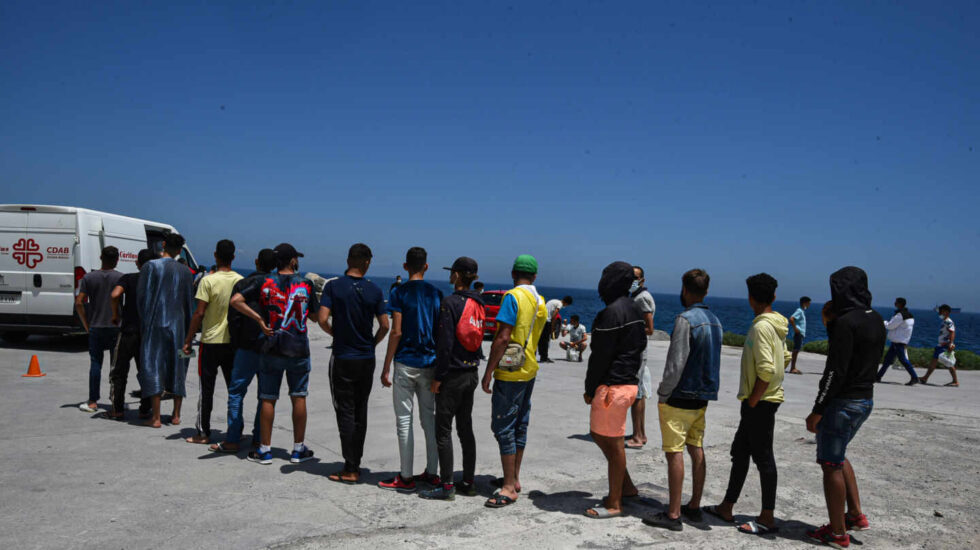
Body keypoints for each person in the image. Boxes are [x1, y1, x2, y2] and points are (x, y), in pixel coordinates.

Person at [704, 273, 791, 535]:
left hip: (760, 402)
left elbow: (767, 369)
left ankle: (767, 517)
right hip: (762, 400)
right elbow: (784, 357)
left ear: (751, 297)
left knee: (764, 458)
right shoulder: (777, 324)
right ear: (773, 297)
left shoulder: (761, 327)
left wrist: (754, 399)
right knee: (740, 452)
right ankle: (726, 506)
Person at [805, 267, 884, 548]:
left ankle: (838, 533)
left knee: (830, 465)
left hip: (842, 402)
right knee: (839, 456)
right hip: (865, 399)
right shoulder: (875, 319)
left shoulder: (845, 323)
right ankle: (854, 515)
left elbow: (834, 371)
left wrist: (818, 409)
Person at [643, 269, 722, 531]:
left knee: (674, 452)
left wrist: (664, 393)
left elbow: (675, 363)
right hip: (702, 397)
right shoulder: (715, 320)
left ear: (685, 290)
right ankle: (694, 505)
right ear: (706, 291)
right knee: (696, 447)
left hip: (680, 396)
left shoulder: (685, 319)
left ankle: (673, 513)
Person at [231, 243, 319, 464]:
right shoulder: (305, 284)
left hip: (271, 347)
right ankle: (298, 449)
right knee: (298, 396)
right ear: (292, 261)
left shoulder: (264, 282)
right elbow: (317, 318)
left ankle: (264, 449)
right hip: (298, 349)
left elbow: (235, 301)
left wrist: (260, 319)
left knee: (268, 398)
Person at [318, 243, 389, 483]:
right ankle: (355, 461)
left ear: (348, 259)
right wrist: (372, 343)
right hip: (365, 357)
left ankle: (350, 467)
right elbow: (385, 326)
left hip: (343, 356)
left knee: (344, 411)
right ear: (367, 262)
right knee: (361, 410)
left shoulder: (334, 286)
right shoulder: (375, 290)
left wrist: (335, 335)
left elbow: (322, 318)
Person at [481, 254, 548, 508]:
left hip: (510, 368)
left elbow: (502, 336)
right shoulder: (539, 300)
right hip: (529, 366)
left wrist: (488, 370)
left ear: (512, 273)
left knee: (503, 426)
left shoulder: (513, 297)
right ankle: (515, 477)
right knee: (520, 423)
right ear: (535, 276)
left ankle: (508, 488)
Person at [582, 262, 647, 518]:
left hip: (612, 385)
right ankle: (626, 487)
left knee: (613, 442)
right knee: (602, 436)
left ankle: (615, 503)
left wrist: (590, 388)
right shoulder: (634, 308)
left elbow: (599, 356)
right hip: (628, 381)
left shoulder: (611, 313)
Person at [378, 247, 443, 492]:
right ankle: (433, 472)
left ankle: (406, 477)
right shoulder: (437, 294)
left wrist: (386, 366)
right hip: (429, 363)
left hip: (405, 362)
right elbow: (439, 331)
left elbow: (396, 331)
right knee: (429, 420)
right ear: (426, 266)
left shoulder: (399, 293)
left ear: (406, 267)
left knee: (404, 421)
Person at [420, 257, 484, 501]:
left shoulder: (450, 303)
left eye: (452, 273)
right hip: (471, 372)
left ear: (457, 275)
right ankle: (468, 481)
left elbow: (445, 344)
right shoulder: (478, 301)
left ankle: (446, 486)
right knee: (465, 428)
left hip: (453, 374)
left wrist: (439, 376)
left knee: (443, 430)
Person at [210, 248, 278, 454]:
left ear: (257, 262)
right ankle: (259, 437)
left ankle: (232, 438)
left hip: (246, 346)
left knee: (236, 392)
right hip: (270, 345)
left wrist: (236, 342)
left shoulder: (244, 284)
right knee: (264, 395)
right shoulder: (276, 285)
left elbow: (234, 317)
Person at [182, 240, 244, 444]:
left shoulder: (207, 281)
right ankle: (234, 431)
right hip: (232, 343)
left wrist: (188, 339)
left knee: (206, 388)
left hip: (210, 341)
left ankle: (203, 432)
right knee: (233, 390)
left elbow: (199, 313)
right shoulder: (240, 281)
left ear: (215, 255)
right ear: (234, 257)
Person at [137, 233, 196, 428]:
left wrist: (144, 324)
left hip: (155, 324)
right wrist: (190, 332)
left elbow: (142, 299)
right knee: (179, 366)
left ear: (163, 245)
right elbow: (189, 304)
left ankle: (155, 417)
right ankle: (176, 414)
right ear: (180, 250)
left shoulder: (150, 267)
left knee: (153, 364)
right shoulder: (186, 272)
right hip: (178, 326)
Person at [107, 248, 155, 420]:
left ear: (137, 263)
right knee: (146, 372)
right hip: (147, 334)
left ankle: (117, 409)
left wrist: (115, 315)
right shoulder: (156, 282)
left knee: (119, 372)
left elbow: (115, 294)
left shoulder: (129, 278)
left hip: (128, 332)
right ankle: (145, 409)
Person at [75, 246, 124, 413]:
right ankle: (115, 400)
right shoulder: (120, 278)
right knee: (115, 366)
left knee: (96, 363)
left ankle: (93, 401)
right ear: (117, 259)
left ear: (100, 257)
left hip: (96, 325)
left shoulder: (89, 278)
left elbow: (79, 302)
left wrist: (86, 324)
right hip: (115, 326)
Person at [626, 264, 656, 449]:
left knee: (636, 393)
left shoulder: (642, 298)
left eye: (635, 278)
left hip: (638, 349)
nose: (632, 281)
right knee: (639, 393)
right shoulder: (637, 296)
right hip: (637, 348)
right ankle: (640, 432)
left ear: (642, 280)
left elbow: (650, 328)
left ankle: (638, 436)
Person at [876, 298, 918, 385]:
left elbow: (890, 326)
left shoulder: (900, 315)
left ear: (899, 304)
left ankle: (914, 377)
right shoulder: (910, 315)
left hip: (898, 342)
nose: (894, 303)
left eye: (896, 302)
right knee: (887, 360)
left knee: (903, 360)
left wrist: (882, 322)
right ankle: (878, 376)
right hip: (901, 341)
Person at [920, 304, 958, 387]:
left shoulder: (949, 321)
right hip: (940, 345)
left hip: (945, 345)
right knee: (933, 362)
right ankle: (925, 378)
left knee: (949, 363)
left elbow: (952, 332)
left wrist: (951, 343)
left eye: (941, 311)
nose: (939, 313)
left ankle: (955, 381)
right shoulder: (945, 321)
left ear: (946, 312)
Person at [540, 296, 573, 362]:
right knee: (546, 340)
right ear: (566, 303)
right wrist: (552, 326)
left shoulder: (554, 300)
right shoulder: (560, 304)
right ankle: (544, 357)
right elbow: (555, 314)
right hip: (547, 321)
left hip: (542, 319)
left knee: (541, 339)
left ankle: (542, 355)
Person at [787, 297, 811, 374]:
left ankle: (793, 367)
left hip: (800, 334)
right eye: (808, 302)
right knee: (796, 350)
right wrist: (795, 329)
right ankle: (792, 368)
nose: (809, 304)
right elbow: (791, 319)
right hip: (798, 333)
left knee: (796, 350)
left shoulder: (802, 311)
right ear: (804, 303)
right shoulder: (799, 311)